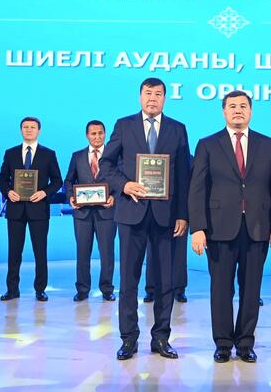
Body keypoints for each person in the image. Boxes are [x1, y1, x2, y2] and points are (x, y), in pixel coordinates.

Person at [189, 90, 271, 364]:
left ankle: (245, 343)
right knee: (221, 289)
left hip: (257, 228)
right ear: (223, 111)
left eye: (243, 106)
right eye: (232, 106)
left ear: (251, 111)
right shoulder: (208, 144)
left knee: (251, 289)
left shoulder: (268, 144)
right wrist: (198, 228)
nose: (238, 110)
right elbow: (197, 188)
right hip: (218, 229)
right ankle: (222, 343)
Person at [99, 77, 191, 361]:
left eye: (158, 94)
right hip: (131, 213)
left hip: (166, 216)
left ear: (165, 98)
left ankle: (161, 338)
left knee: (165, 281)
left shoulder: (177, 128)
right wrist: (124, 185)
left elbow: (183, 175)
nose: (153, 98)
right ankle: (129, 339)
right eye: (148, 93)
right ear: (140, 96)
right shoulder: (124, 125)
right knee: (129, 280)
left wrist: (183, 214)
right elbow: (106, 164)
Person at [0, 117, 62, 302]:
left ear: (39, 131)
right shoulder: (10, 153)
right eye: (25, 127)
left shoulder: (48, 154)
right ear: (21, 130)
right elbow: (2, 179)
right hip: (15, 209)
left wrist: (44, 192)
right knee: (14, 251)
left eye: (32, 127)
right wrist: (8, 191)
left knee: (40, 251)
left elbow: (57, 181)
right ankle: (12, 289)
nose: (29, 130)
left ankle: (40, 289)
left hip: (39, 209)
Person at [64, 120, 116, 302]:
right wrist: (71, 197)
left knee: (107, 253)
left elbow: (121, 179)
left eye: (100, 133)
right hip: (82, 214)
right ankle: (82, 289)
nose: (97, 137)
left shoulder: (114, 156)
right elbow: (69, 181)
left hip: (106, 213)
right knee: (82, 253)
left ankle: (107, 289)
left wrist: (114, 197)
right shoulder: (77, 156)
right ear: (87, 135)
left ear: (105, 134)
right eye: (93, 133)